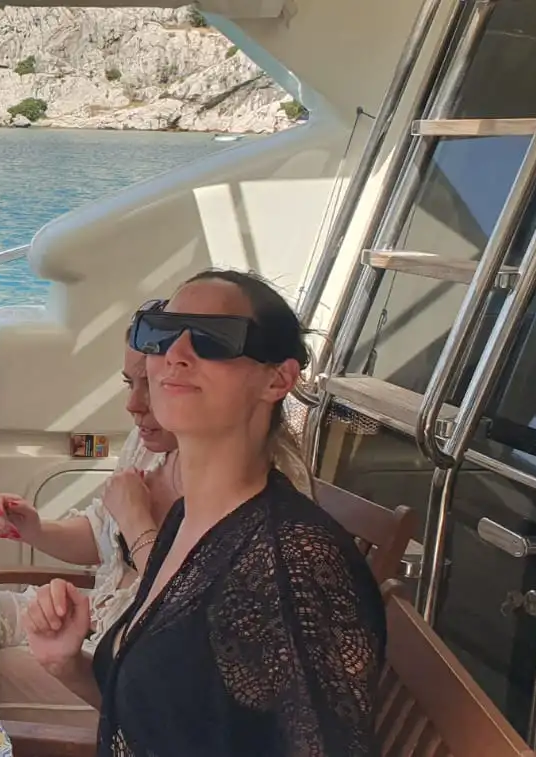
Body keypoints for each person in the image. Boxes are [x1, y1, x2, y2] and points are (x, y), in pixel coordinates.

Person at [25, 270, 385, 756]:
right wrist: (66, 664)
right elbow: (154, 723)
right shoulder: (185, 523)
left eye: (214, 338)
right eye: (161, 333)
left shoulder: (293, 565)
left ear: (278, 379)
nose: (175, 353)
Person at [0, 337, 180, 726]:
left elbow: (186, 612)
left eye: (155, 384)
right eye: (130, 383)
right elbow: (102, 536)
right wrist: (35, 529)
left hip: (117, 668)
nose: (133, 404)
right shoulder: (149, 445)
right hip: (89, 618)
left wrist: (136, 518)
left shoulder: (239, 496)